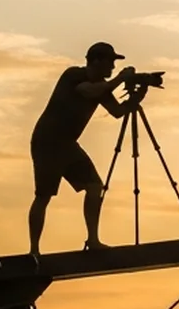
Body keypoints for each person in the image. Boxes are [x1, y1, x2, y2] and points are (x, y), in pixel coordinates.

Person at [29, 41, 148, 257]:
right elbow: (89, 91)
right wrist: (120, 79)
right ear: (96, 61)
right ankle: (34, 250)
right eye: (110, 62)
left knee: (95, 186)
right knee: (43, 195)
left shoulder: (102, 86)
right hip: (47, 141)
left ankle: (93, 240)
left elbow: (117, 111)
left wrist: (137, 97)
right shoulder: (75, 75)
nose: (112, 66)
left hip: (67, 144)